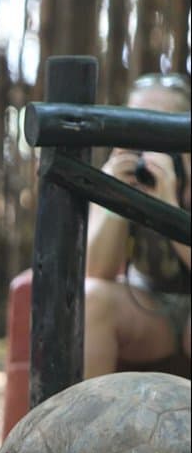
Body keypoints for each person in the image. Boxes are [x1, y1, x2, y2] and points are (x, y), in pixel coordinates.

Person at [84, 73, 191, 379]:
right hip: (148, 307)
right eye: (136, 125)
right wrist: (117, 199)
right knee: (93, 299)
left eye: (159, 126)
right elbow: (96, 271)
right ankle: (90, 425)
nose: (147, 142)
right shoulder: (119, 171)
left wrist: (167, 205)